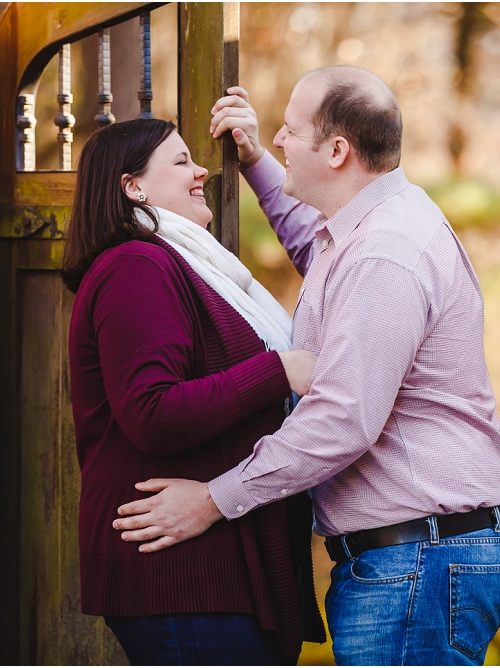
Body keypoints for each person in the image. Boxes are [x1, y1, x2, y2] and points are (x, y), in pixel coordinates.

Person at [113, 66, 500, 665]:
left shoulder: (385, 253)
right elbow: (314, 244)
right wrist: (253, 161)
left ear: (336, 150)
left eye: (289, 131)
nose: (275, 138)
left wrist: (214, 499)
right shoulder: (371, 225)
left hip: (420, 563)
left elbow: (343, 419)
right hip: (419, 555)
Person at [63, 118, 326, 665]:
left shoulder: (188, 266)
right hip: (184, 578)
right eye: (181, 161)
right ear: (132, 186)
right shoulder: (135, 265)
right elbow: (151, 412)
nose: (202, 168)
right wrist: (276, 371)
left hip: (214, 572)